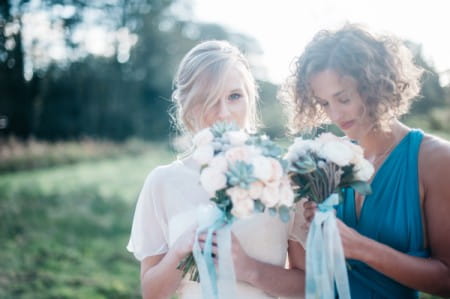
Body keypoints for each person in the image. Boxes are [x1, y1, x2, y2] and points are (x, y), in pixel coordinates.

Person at [282, 24, 450, 298]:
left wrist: (360, 247)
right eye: (324, 103)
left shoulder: (435, 159)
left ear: (375, 85)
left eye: (343, 98)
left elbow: (446, 279)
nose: (335, 114)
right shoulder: (326, 163)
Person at [127, 40, 305, 299]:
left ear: (250, 97)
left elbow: (309, 288)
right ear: (187, 106)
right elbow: (152, 293)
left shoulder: (282, 178)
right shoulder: (163, 182)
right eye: (208, 99)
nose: (223, 113)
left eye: (234, 96)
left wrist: (249, 270)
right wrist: (178, 251)